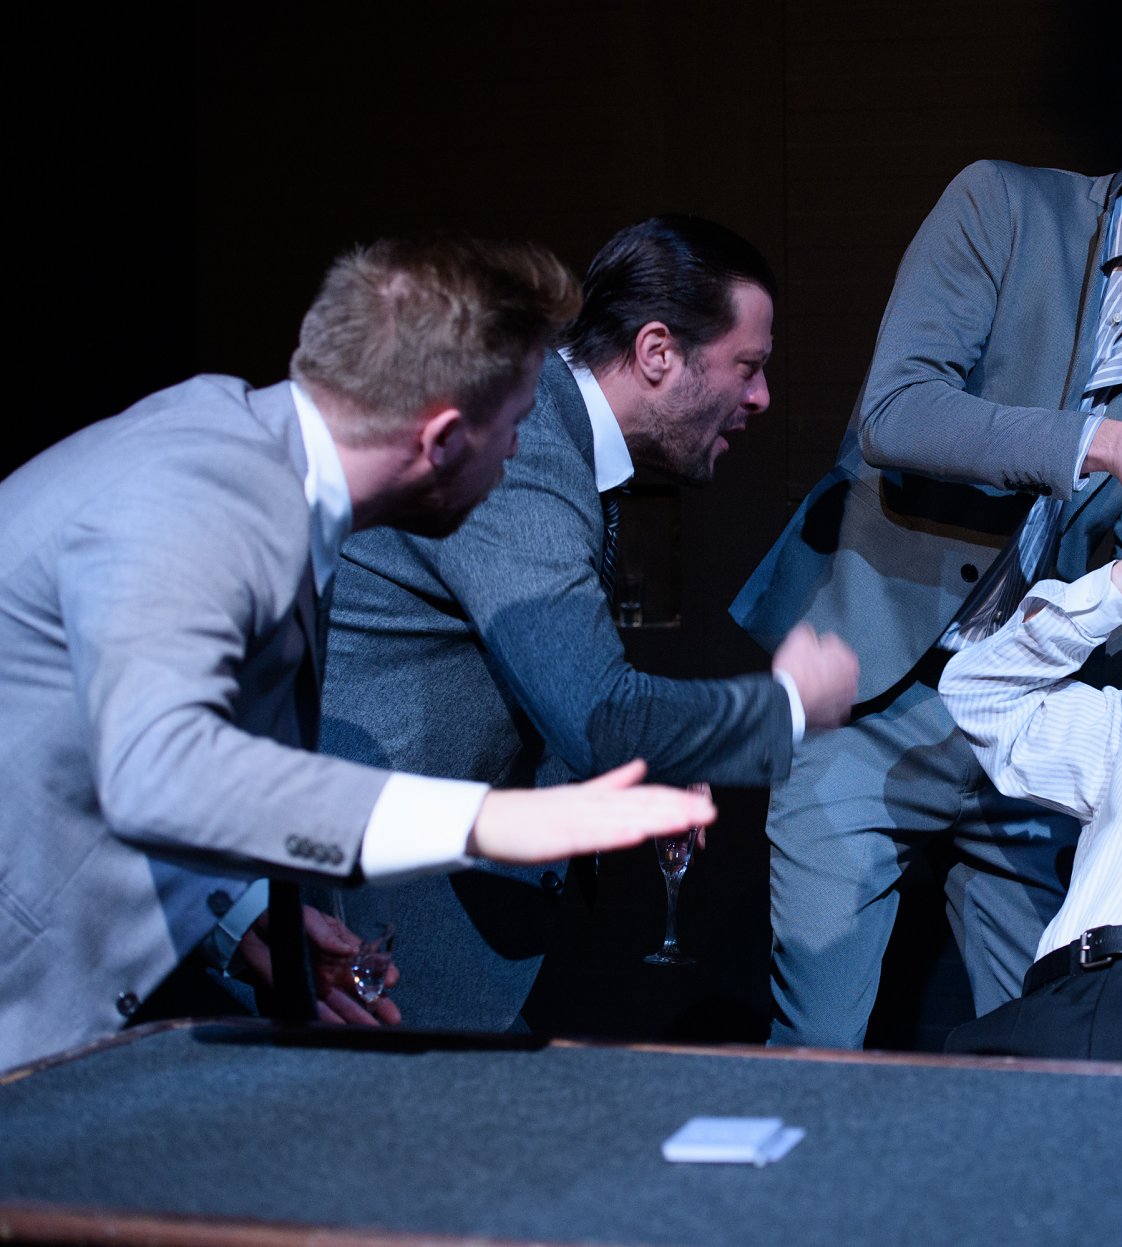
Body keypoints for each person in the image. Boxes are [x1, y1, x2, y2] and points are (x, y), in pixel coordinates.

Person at [0, 238, 717, 1072]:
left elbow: (101, 744)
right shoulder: (196, 497)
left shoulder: (272, 470)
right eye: (517, 424)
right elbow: (161, 768)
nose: (520, 454)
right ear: (443, 438)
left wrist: (241, 917)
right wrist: (496, 821)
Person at [732, 96, 1122, 1048]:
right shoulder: (1004, 209)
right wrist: (1104, 441)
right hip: (868, 689)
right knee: (817, 1046)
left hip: (1023, 725)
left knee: (1054, 1052)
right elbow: (896, 413)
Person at [320, 217, 857, 1032]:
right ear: (657, 352)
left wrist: (650, 754)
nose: (761, 398)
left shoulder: (560, 442)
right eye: (747, 366)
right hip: (374, 921)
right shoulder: (527, 446)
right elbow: (598, 712)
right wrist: (786, 705)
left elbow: (545, 669)